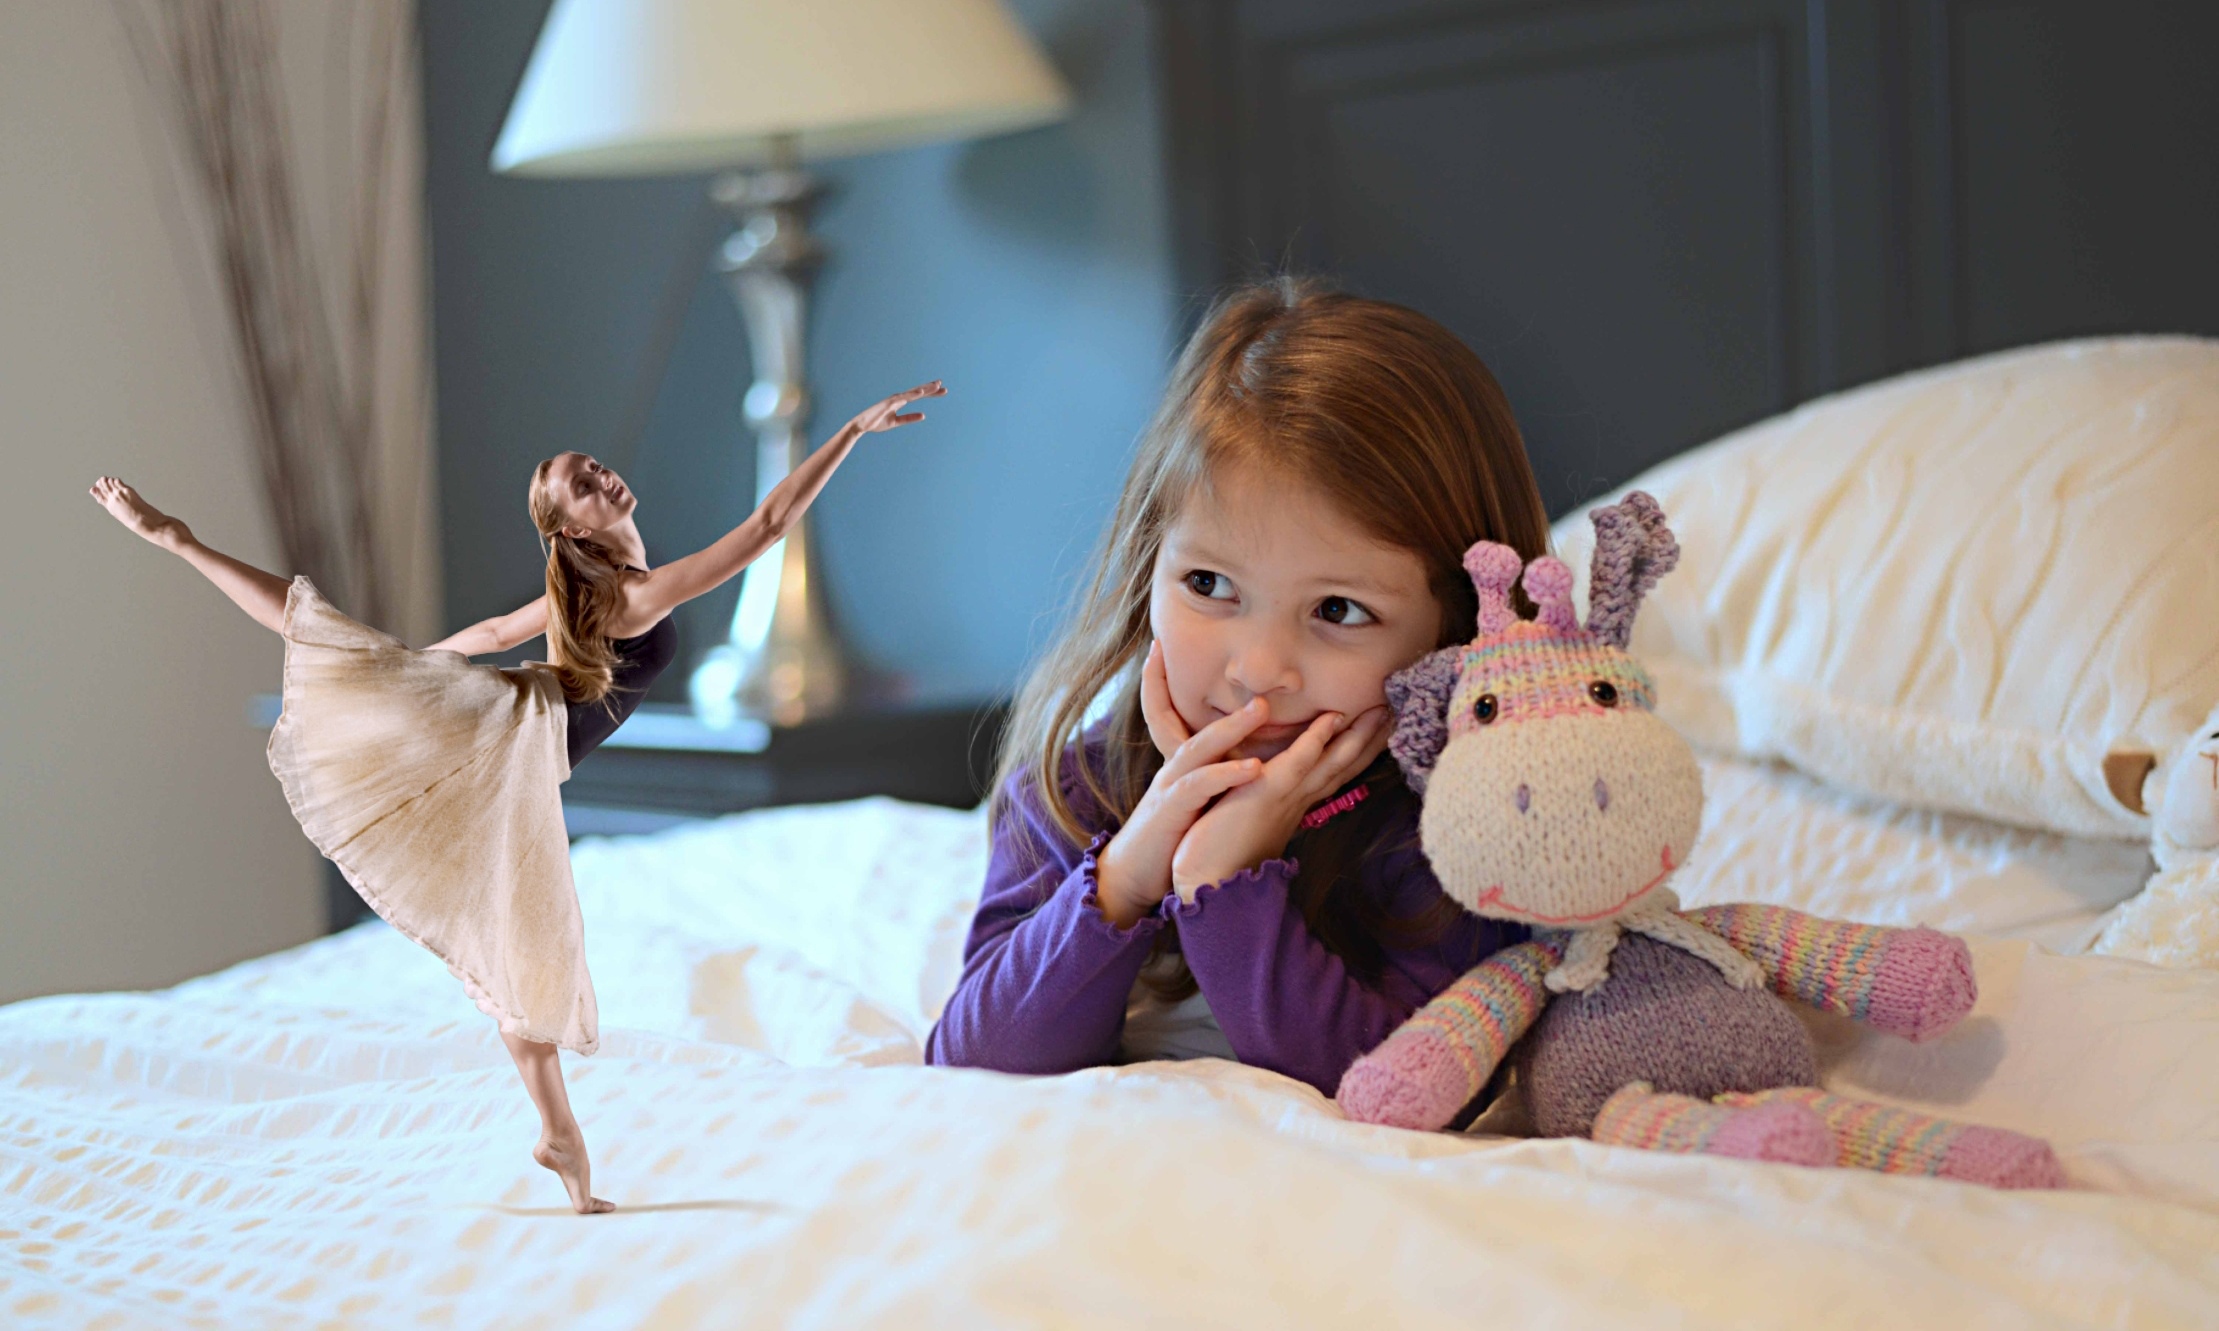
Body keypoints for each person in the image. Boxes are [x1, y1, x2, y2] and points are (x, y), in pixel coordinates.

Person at [91, 379, 943, 1213]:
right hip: (512, 732)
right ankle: (179, 539)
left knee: (517, 935)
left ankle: (557, 1132)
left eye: (593, 466)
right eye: (583, 483)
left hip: (513, 732)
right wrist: (848, 434)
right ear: (573, 524)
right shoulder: (631, 595)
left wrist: (417, 667)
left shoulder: (591, 583)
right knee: (334, 647)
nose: (601, 475)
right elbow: (766, 526)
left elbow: (502, 630)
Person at [926, 278, 1554, 1098]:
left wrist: (1224, 882)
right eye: (1209, 584)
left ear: (1456, 625)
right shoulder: (1077, 790)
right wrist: (1124, 878)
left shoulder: (1456, 830)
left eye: (1337, 609)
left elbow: (1406, 1090)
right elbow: (970, 1064)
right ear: (1149, 565)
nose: (1257, 668)